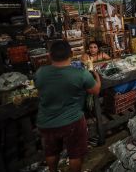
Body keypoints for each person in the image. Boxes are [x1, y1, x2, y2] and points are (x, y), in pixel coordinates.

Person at [35, 40, 101, 172]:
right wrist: (96, 75)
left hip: (46, 122)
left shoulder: (40, 73)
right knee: (75, 154)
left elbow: (40, 90)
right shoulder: (80, 74)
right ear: (71, 54)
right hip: (73, 121)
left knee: (51, 151)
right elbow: (95, 90)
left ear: (49, 55)